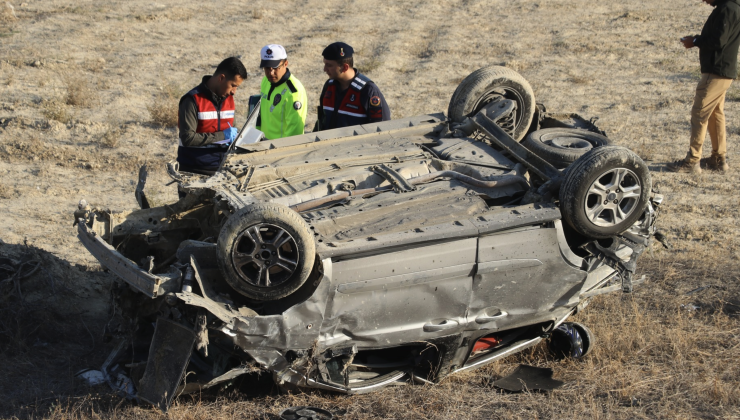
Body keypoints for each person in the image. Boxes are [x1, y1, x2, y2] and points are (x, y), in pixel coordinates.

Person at [668, 0, 740, 174]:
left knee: (700, 114)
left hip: (716, 72)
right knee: (715, 114)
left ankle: (692, 161)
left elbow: (719, 40)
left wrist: (695, 41)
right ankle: (718, 159)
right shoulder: (732, 8)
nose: (705, 1)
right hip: (722, 71)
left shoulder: (727, 9)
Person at [177, 57, 247, 175]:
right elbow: (188, 138)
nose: (234, 91)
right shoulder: (192, 100)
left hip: (223, 169)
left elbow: (229, 129)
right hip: (195, 171)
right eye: (233, 85)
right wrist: (222, 136)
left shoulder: (229, 99)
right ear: (221, 78)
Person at [316, 42, 390, 131]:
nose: (324, 69)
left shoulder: (368, 90)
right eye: (325, 64)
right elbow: (322, 121)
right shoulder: (329, 86)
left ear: (345, 67)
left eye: (329, 65)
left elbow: (382, 128)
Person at [256, 44, 308, 139]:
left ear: (286, 63)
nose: (271, 73)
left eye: (275, 68)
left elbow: (294, 135)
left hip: (278, 149)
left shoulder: (294, 93)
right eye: (267, 68)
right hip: (262, 144)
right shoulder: (266, 81)